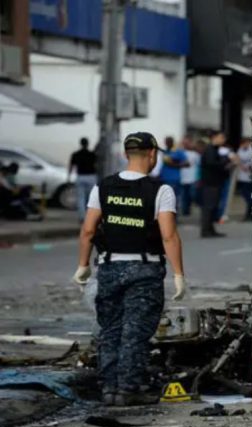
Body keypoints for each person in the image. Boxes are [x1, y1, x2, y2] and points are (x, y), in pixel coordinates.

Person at [72, 132, 186, 406]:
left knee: (110, 328)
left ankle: (109, 389)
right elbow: (169, 235)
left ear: (126, 155)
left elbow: (88, 230)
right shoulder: (161, 190)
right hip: (145, 270)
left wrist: (83, 265)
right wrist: (179, 274)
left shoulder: (103, 187)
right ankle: (128, 389)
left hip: (109, 267)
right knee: (135, 331)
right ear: (152, 154)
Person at [200, 132, 233, 237]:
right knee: (209, 207)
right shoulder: (210, 149)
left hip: (215, 182)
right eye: (221, 137)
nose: (223, 140)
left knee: (213, 206)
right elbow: (213, 164)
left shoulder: (215, 149)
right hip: (210, 183)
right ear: (214, 138)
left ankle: (210, 229)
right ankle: (206, 230)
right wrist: (226, 160)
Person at [69, 137, 98, 222]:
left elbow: (71, 166)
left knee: (80, 198)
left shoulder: (75, 154)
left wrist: (69, 177)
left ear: (80, 144)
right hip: (91, 177)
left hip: (80, 177)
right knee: (90, 198)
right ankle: (90, 217)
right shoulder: (92, 154)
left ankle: (82, 217)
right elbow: (97, 166)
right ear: (88, 144)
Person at [159, 137, 188, 208]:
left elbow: (187, 163)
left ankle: (174, 213)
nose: (167, 143)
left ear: (172, 142)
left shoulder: (178, 151)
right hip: (163, 179)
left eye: (168, 142)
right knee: (164, 199)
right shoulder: (165, 151)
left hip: (174, 179)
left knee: (173, 198)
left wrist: (174, 165)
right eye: (166, 142)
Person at [178, 136, 200, 217]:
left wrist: (198, 178)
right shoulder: (180, 153)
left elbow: (199, 166)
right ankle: (185, 211)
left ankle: (188, 208)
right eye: (185, 143)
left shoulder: (196, 154)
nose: (186, 144)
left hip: (192, 179)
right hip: (182, 178)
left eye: (188, 143)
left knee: (192, 195)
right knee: (184, 196)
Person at [236, 137, 252, 220]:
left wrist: (249, 166)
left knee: (249, 195)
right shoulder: (240, 150)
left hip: (250, 176)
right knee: (245, 194)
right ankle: (250, 212)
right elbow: (237, 159)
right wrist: (241, 165)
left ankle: (251, 213)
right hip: (242, 176)